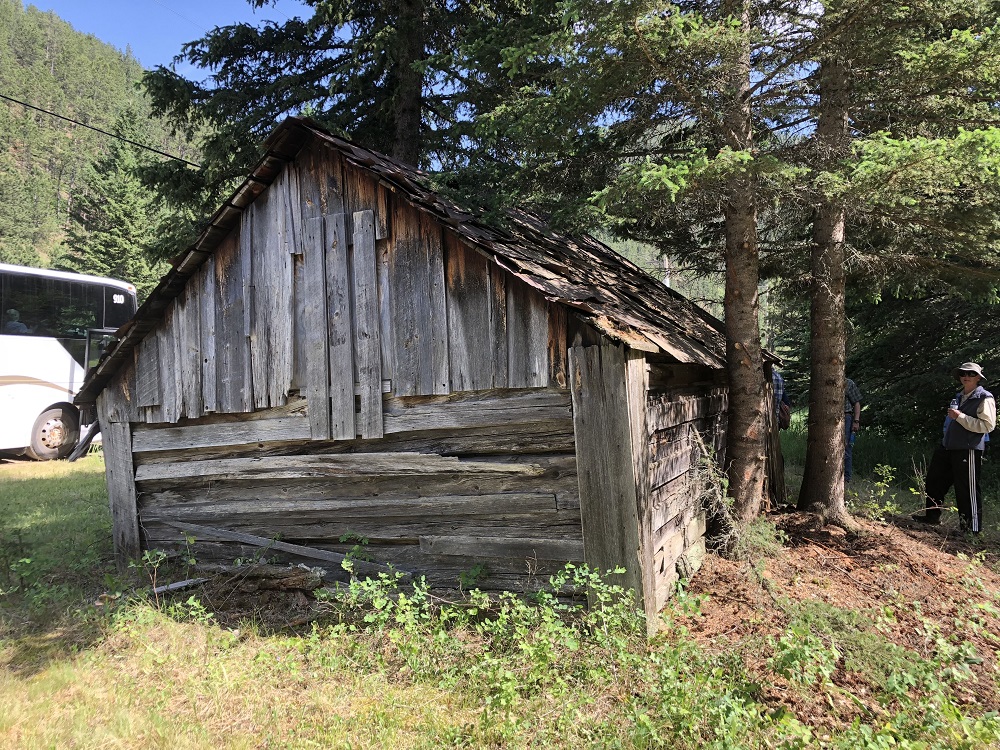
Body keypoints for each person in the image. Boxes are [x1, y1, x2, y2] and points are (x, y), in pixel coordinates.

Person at [913, 362, 996, 533]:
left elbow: (987, 426)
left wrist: (961, 417)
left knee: (966, 489)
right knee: (935, 480)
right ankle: (932, 517)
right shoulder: (958, 397)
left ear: (978, 378)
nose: (966, 377)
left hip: (969, 449)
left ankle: (971, 531)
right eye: (963, 373)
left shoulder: (984, 397)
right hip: (948, 446)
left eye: (971, 374)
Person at [844, 377, 862, 482]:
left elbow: (856, 403)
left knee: (846, 447)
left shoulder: (848, 383)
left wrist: (856, 420)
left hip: (846, 417)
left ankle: (846, 477)